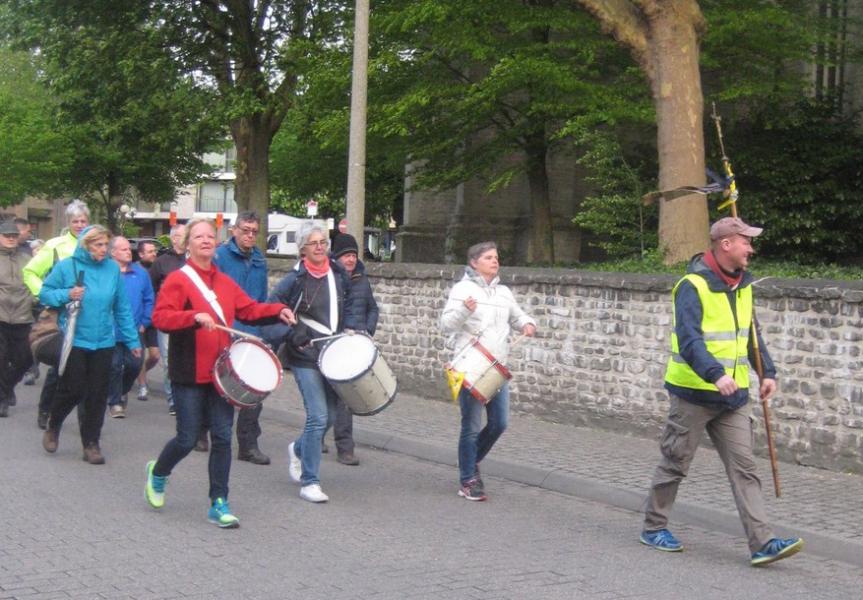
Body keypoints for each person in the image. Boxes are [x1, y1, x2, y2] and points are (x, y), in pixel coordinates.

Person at [639, 217, 803, 567]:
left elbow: (751, 335)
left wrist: (766, 372)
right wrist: (714, 374)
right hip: (693, 393)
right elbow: (689, 339)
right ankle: (654, 527)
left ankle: (763, 543)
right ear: (726, 243)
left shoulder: (744, 285)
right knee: (675, 463)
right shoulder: (692, 286)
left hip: (733, 397)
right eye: (746, 241)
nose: (751, 248)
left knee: (745, 468)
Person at [144, 218, 296, 528]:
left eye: (210, 236)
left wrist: (275, 310)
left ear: (216, 242)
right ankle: (158, 473)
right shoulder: (178, 280)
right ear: (188, 244)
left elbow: (249, 309)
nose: (205, 241)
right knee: (186, 439)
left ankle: (219, 502)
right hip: (188, 372)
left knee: (223, 438)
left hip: (221, 373)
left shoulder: (224, 282)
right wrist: (192, 316)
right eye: (198, 237)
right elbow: (161, 318)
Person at [265, 221, 358, 503]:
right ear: (302, 249)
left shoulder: (338, 273)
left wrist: (354, 327)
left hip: (334, 354)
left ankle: (297, 449)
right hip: (305, 355)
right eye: (314, 243)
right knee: (318, 416)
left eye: (323, 243)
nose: (320, 247)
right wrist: (291, 333)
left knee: (330, 416)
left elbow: (354, 303)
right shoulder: (294, 279)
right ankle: (310, 481)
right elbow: (271, 310)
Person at [440, 241, 536, 501]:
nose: (495, 261)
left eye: (496, 257)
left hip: (496, 367)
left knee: (499, 423)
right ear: (474, 262)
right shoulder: (463, 289)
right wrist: (464, 310)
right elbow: (446, 324)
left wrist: (527, 324)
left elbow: (518, 317)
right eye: (489, 258)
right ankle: (468, 479)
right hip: (470, 366)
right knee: (470, 426)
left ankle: (471, 462)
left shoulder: (503, 292)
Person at [39, 225, 141, 464]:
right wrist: (66, 294)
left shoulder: (112, 270)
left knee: (97, 395)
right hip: (74, 338)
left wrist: (132, 340)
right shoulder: (67, 266)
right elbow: (45, 294)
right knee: (73, 389)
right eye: (98, 245)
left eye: (106, 245)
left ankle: (91, 444)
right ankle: (54, 425)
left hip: (104, 340)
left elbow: (122, 308)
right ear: (86, 245)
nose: (103, 250)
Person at [23, 200, 90, 429]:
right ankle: (46, 409)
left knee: (88, 369)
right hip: (60, 312)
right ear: (68, 223)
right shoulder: (55, 245)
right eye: (75, 221)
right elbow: (30, 271)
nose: (80, 225)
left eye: (84, 221)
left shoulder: (97, 245)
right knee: (60, 365)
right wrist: (43, 295)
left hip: (89, 314)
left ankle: (87, 423)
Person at [213, 211, 272, 465]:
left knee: (256, 389)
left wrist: (261, 328)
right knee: (218, 388)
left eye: (254, 231)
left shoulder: (259, 259)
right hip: (225, 331)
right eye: (245, 230)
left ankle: (247, 444)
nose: (249, 235)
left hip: (252, 331)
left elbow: (260, 298)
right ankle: (207, 433)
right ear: (234, 230)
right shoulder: (220, 257)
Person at [321, 233, 380, 466]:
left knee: (345, 398)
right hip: (333, 344)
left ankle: (345, 448)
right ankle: (317, 437)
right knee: (328, 399)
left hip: (355, 345)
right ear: (336, 257)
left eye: (354, 255)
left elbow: (373, 309)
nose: (351, 259)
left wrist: (368, 329)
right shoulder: (329, 279)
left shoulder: (363, 280)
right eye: (346, 255)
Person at [107, 236, 154, 418]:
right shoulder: (108, 272)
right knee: (114, 366)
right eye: (124, 249)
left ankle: (122, 391)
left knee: (135, 365)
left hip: (135, 330)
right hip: (111, 331)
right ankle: (115, 402)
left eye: (129, 249)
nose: (129, 252)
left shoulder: (140, 273)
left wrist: (145, 322)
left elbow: (150, 299)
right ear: (113, 253)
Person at [0, 220, 36, 417]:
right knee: (1, 358)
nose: (11, 238)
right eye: (7, 235)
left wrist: (34, 299)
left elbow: (35, 281)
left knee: (24, 359)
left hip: (23, 317)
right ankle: (2, 399)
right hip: (0, 317)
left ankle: (6, 388)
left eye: (14, 235)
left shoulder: (27, 258)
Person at [150, 224, 186, 415]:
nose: (185, 238)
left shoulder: (192, 261)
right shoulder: (161, 262)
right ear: (173, 239)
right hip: (168, 317)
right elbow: (151, 286)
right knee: (168, 360)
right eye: (181, 235)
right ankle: (173, 399)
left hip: (188, 317)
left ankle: (184, 396)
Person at [134, 240, 161, 401]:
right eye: (150, 251)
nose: (154, 254)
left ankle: (139, 371)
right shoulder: (135, 270)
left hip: (153, 318)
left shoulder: (157, 269)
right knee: (139, 354)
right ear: (141, 254)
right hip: (139, 319)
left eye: (154, 251)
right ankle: (143, 386)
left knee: (155, 356)